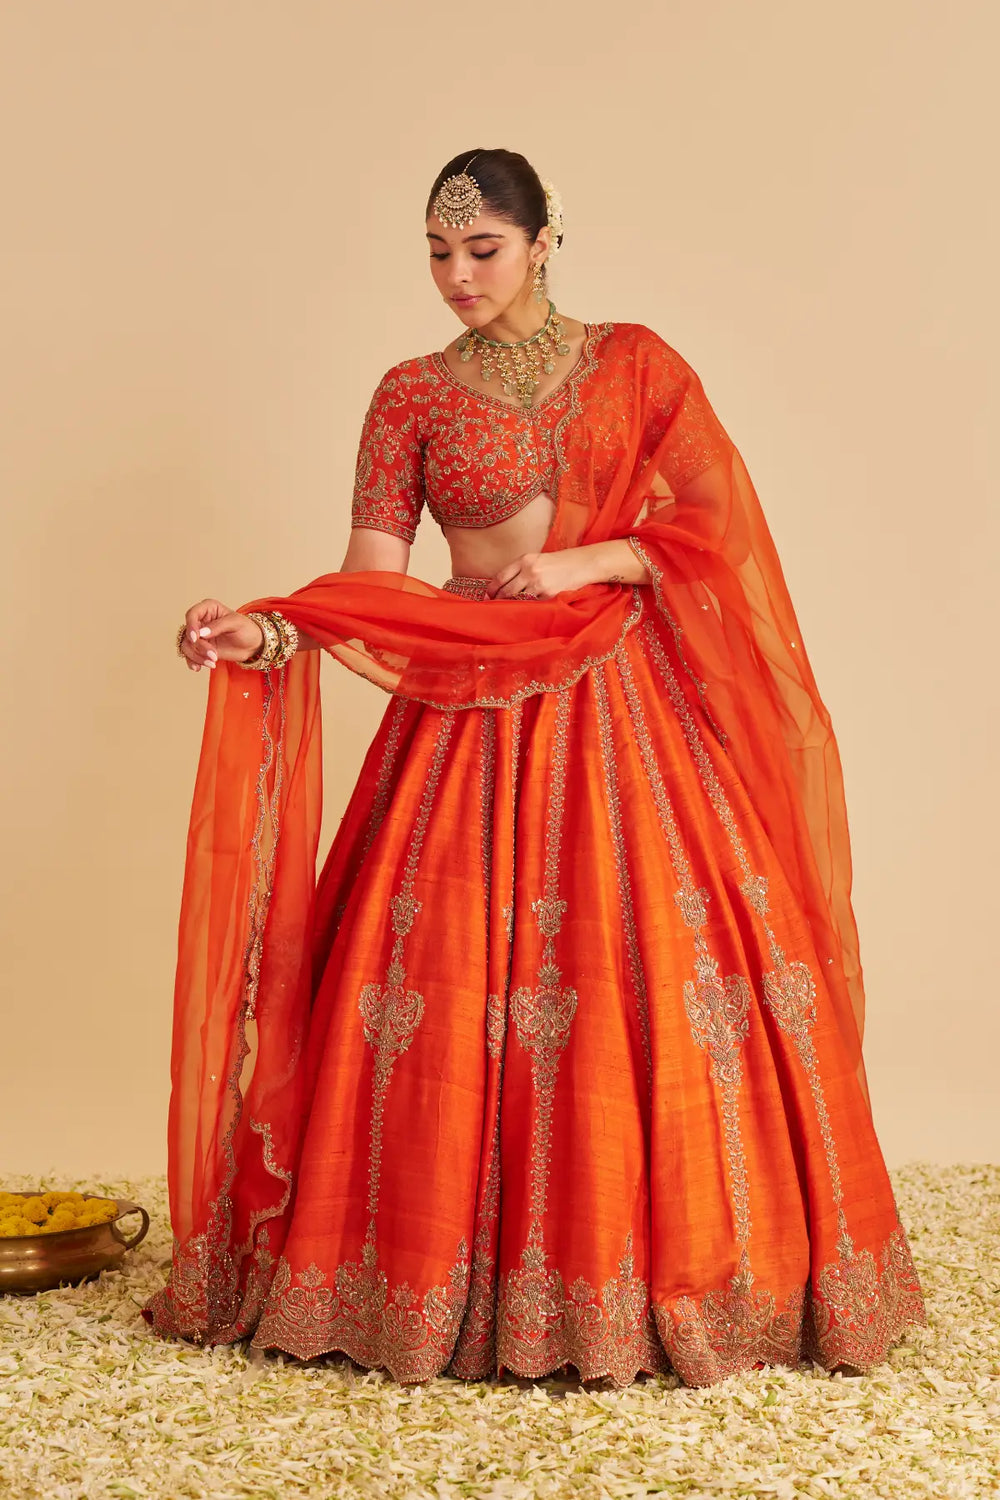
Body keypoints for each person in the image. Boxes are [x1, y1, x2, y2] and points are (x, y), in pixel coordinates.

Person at [142, 148, 927, 1389]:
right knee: (437, 1002)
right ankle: (425, 1288)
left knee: (652, 982)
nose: (456, 275)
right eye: (437, 252)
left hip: (625, 705)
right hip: (464, 713)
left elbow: (716, 524)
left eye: (483, 248)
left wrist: (591, 561)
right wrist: (271, 626)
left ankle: (684, 1281)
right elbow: (373, 576)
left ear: (546, 238)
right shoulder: (407, 394)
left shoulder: (638, 365)